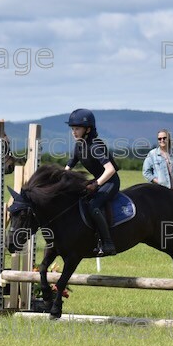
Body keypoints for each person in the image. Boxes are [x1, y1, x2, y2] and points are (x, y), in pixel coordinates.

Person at [64, 108, 120, 256]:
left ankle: (108, 243)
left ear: (88, 129)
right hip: (98, 180)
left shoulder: (95, 145)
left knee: (94, 205)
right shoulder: (79, 145)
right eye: (72, 129)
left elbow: (111, 169)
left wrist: (96, 184)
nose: (73, 132)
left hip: (110, 182)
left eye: (77, 128)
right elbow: (68, 167)